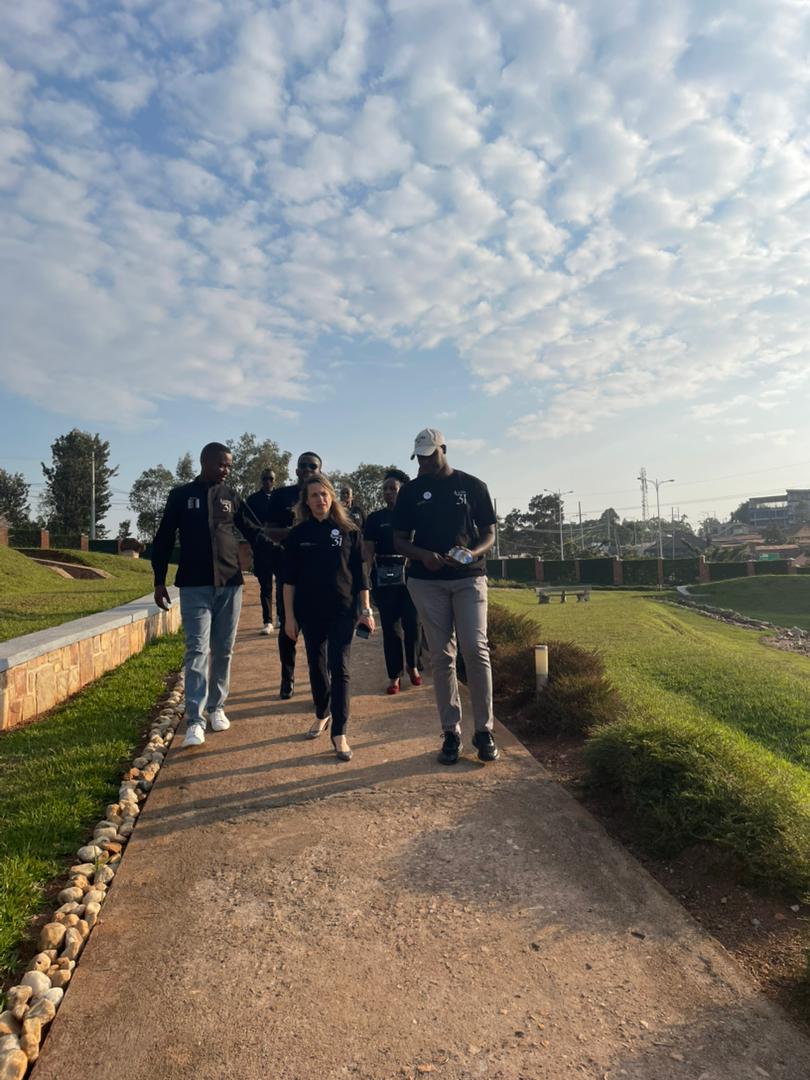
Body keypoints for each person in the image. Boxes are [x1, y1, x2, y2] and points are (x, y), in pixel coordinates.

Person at [152, 442, 271, 748]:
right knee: (196, 650)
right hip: (194, 585)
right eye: (222, 464)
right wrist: (158, 580)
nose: (227, 470)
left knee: (224, 649)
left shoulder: (231, 496)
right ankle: (195, 720)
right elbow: (164, 538)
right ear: (205, 462)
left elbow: (254, 530)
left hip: (230, 584)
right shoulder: (180, 496)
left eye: (229, 465)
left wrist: (283, 550)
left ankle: (217, 707)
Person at [393, 428, 499, 766]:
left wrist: (471, 553)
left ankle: (484, 731)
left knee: (475, 648)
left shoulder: (472, 486)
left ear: (444, 449)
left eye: (430, 454)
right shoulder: (410, 492)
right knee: (441, 656)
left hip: (468, 578)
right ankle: (450, 732)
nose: (424, 462)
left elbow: (489, 534)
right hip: (427, 581)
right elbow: (399, 540)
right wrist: (422, 555)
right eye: (420, 456)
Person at [281, 474, 374, 761]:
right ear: (306, 502)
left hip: (343, 611)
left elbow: (361, 576)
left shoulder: (349, 531)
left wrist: (367, 610)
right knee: (316, 666)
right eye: (314, 496)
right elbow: (288, 581)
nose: (320, 500)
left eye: (324, 494)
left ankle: (340, 733)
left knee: (340, 667)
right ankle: (322, 712)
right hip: (309, 612)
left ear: (331, 497)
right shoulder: (297, 535)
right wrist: (289, 618)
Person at [264, 452, 323, 699]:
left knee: (319, 633)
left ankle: (320, 686)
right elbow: (268, 531)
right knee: (288, 626)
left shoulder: (324, 496)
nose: (308, 469)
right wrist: (295, 533)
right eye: (303, 466)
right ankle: (287, 679)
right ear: (296, 470)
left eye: (313, 466)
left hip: (320, 574)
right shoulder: (281, 496)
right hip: (289, 570)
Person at [364, 468, 422, 695]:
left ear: (402, 490)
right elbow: (368, 550)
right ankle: (394, 675)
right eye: (385, 489)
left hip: (411, 576)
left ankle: (413, 666)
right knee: (391, 628)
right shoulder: (375, 519)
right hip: (384, 577)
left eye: (393, 489)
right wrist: (366, 577)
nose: (388, 492)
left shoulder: (413, 515)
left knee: (413, 623)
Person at [246, 468, 278, 635]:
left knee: (283, 583)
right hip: (261, 548)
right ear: (261, 480)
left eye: (271, 479)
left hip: (279, 548)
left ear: (275, 480)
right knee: (265, 586)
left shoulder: (280, 498)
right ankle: (268, 621)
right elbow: (248, 525)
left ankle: (281, 615)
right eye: (265, 479)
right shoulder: (252, 500)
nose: (268, 482)